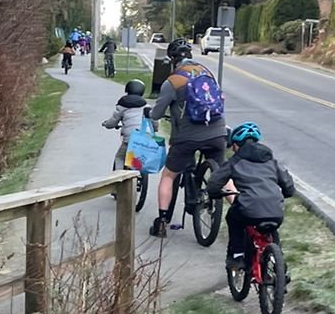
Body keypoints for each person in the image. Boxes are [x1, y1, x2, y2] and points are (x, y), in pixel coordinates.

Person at [146, 39, 227, 237]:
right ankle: (243, 213)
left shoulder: (172, 81)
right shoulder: (207, 73)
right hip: (217, 131)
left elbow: (157, 114)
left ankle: (163, 221)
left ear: (172, 59)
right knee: (222, 176)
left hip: (186, 137)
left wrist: (149, 113)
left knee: (168, 175)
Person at [206, 120, 295, 265]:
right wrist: (284, 194)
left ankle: (237, 255)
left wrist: (214, 193)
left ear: (236, 145)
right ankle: (279, 264)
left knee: (233, 218)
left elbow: (214, 182)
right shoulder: (271, 161)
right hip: (276, 209)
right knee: (272, 228)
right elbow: (288, 186)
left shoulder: (235, 161)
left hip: (249, 209)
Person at [102, 77, 147, 147]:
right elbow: (153, 120)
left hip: (130, 140)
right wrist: (155, 128)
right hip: (145, 138)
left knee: (119, 157)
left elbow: (113, 121)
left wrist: (106, 124)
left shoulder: (123, 105)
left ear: (127, 90)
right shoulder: (146, 106)